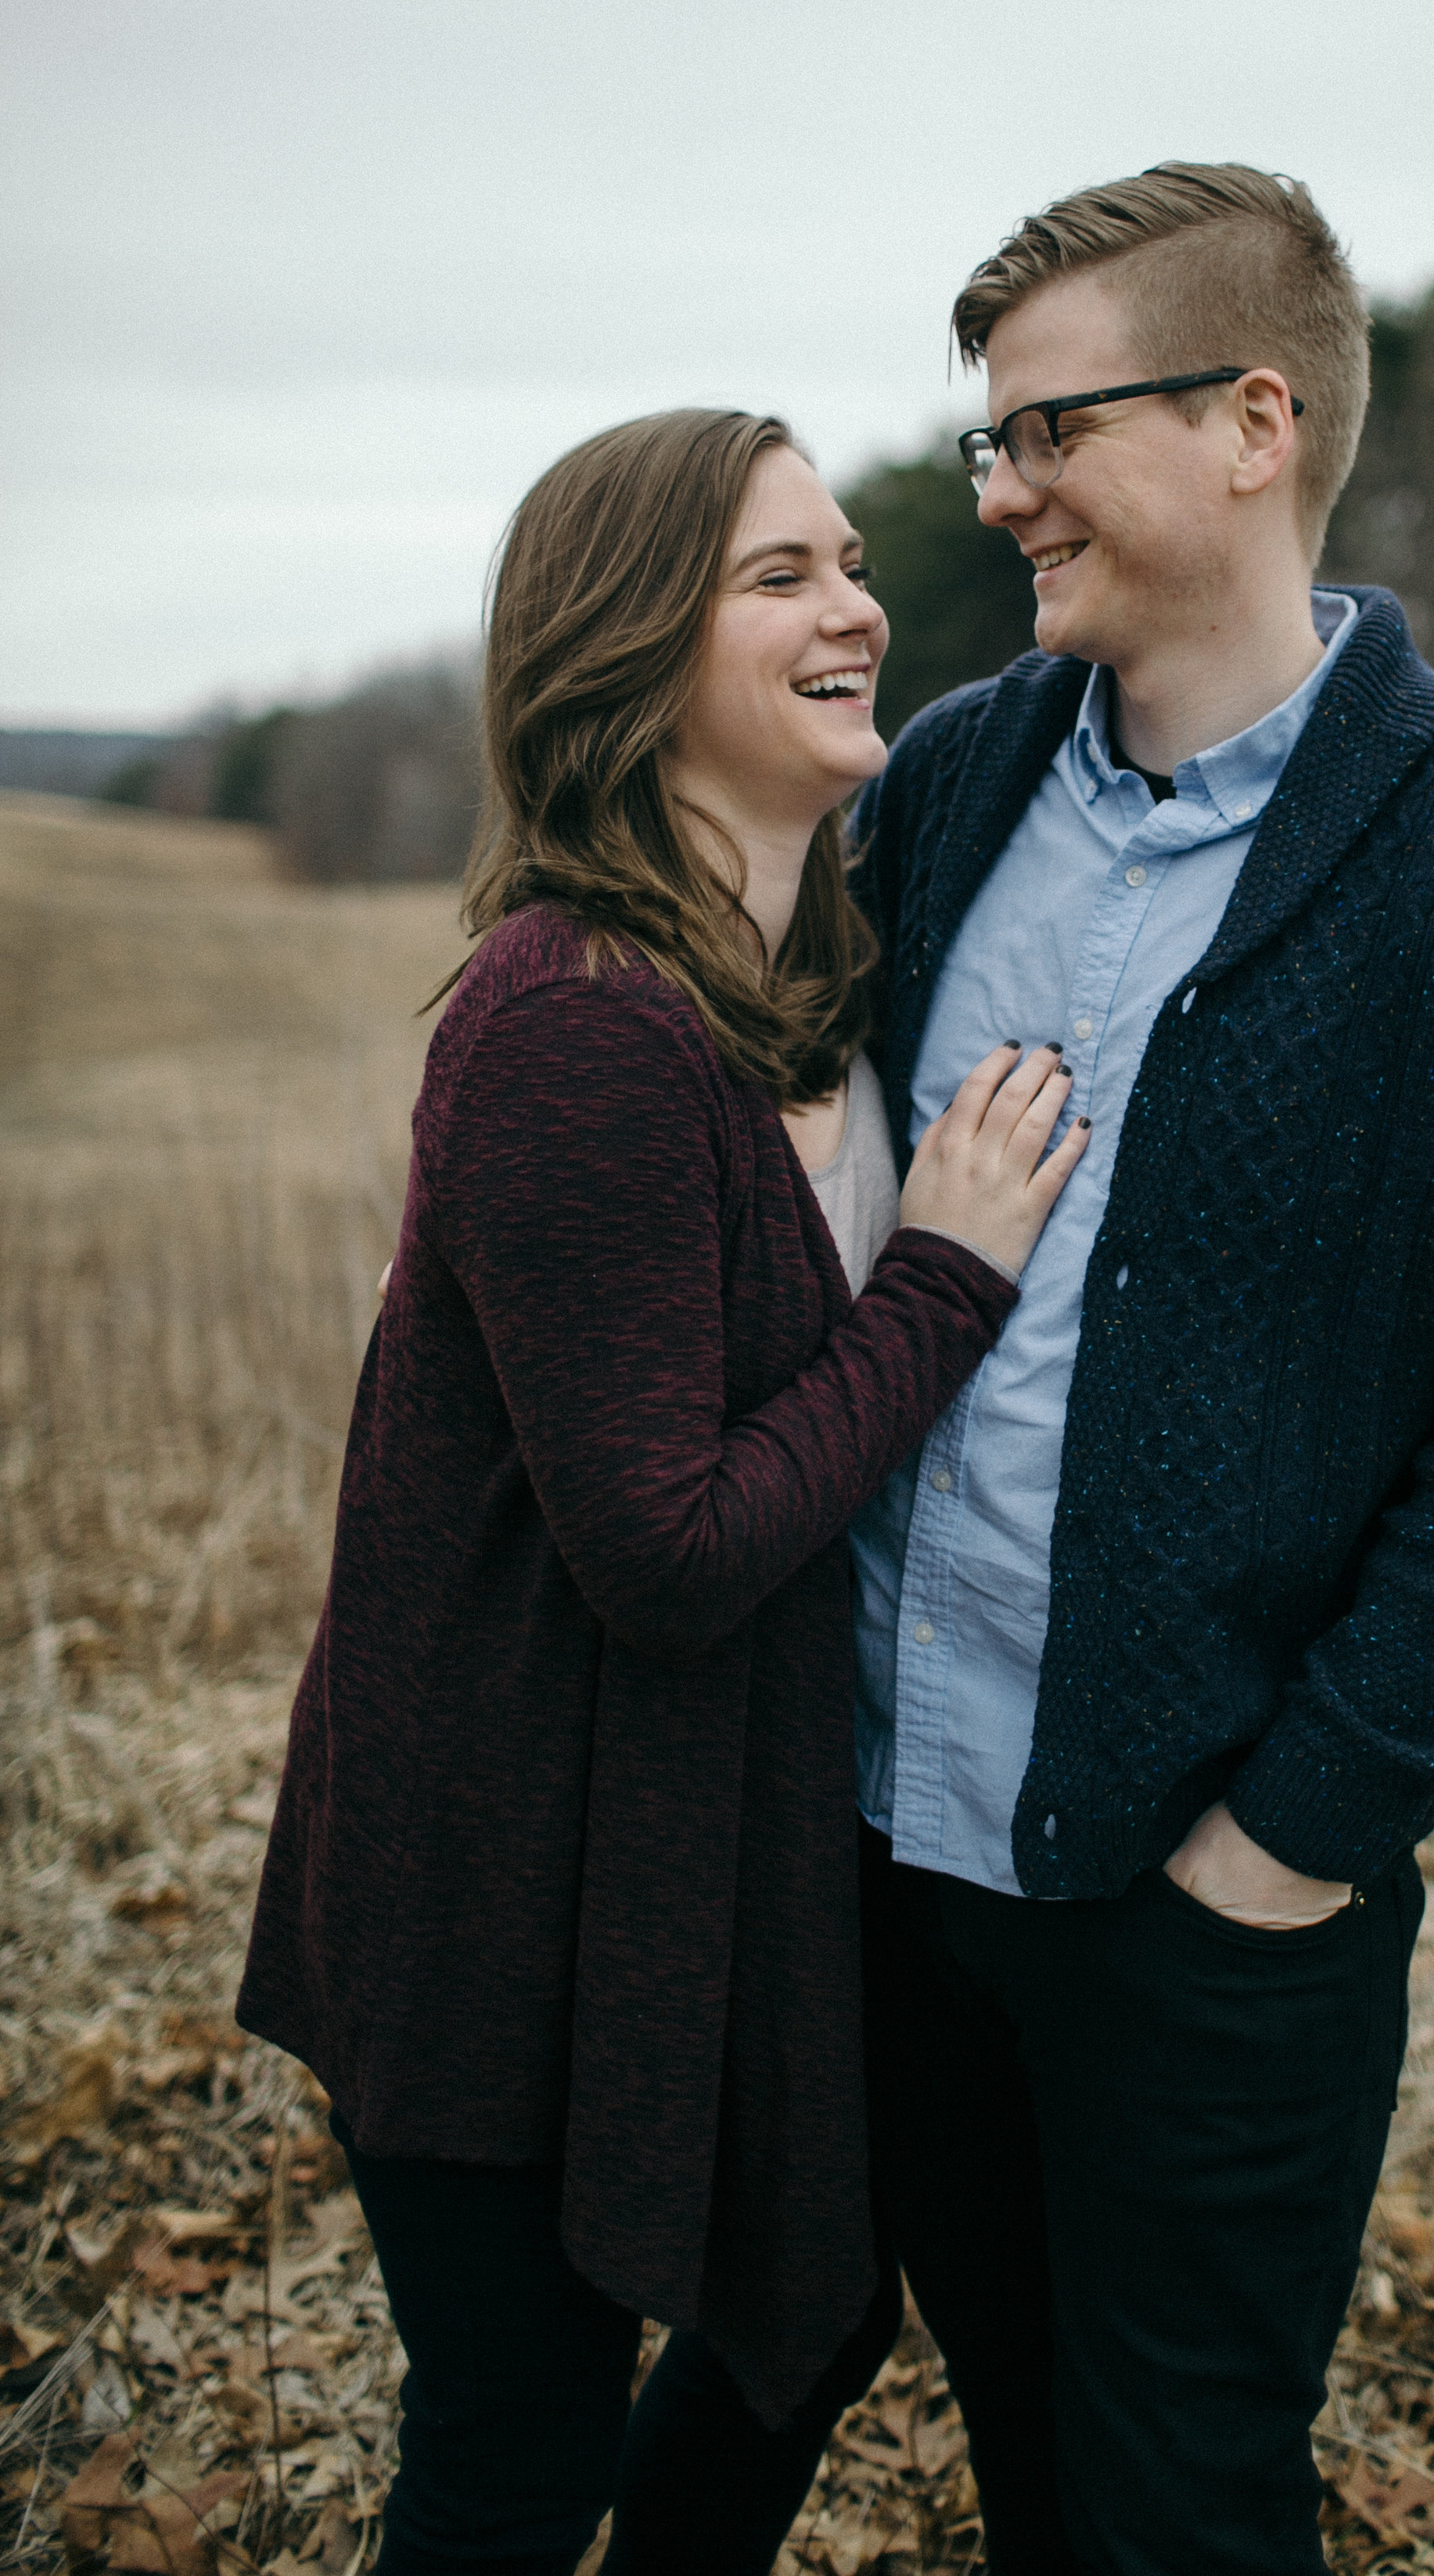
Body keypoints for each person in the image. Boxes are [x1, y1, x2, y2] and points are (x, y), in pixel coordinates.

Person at [847, 164, 1434, 2576]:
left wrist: (1286, 1841)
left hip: (1206, 1907)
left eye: (1045, 431)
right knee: (1020, 2473)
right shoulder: (950, 786)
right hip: (891, 1855)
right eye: (985, 440)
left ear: (1251, 420)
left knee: (1183, 2512)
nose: (992, 493)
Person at [236, 407, 1090, 2576]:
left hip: (701, 1863)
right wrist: (944, 1281)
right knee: (513, 2459)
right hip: (498, 1887)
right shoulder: (571, 1025)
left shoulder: (807, 991)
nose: (858, 606)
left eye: (852, 560)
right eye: (779, 575)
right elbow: (668, 1545)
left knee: (799, 2331)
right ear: (629, 653)